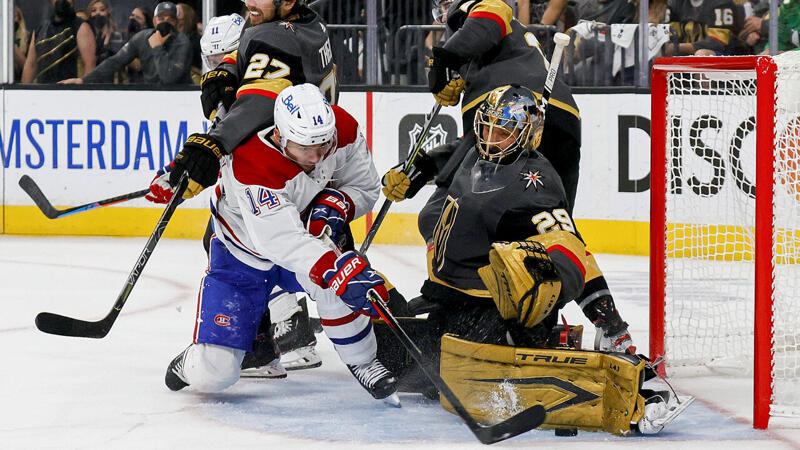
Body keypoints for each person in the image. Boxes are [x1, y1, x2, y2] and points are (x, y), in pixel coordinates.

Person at [379, 85, 690, 435]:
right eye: (486, 127)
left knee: (454, 374)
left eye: (503, 130)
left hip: (492, 311)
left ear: (527, 134)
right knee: (389, 358)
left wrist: (610, 323)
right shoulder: (477, 155)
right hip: (448, 300)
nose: (491, 137)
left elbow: (572, 253)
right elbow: (455, 151)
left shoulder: (535, 184)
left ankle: (618, 377)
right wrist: (419, 170)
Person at [388, 0, 635, 354]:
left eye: (445, 6)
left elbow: (492, 15)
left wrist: (444, 59)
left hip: (529, 115)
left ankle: (463, 304)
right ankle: (610, 327)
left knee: (442, 214)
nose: (443, 13)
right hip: (554, 123)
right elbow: (480, 146)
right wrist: (425, 165)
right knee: (549, 227)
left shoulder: (480, 16)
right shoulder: (486, 58)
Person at [164, 84, 399, 403]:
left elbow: (366, 186)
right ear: (280, 136)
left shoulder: (342, 130)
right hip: (241, 259)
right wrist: (337, 271)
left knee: (338, 286)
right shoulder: (253, 163)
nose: (317, 157)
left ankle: (364, 360)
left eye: (322, 144)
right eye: (305, 148)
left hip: (305, 244)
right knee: (215, 373)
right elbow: (282, 241)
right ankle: (192, 362)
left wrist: (339, 202)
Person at [151, 0, 342, 376]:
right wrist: (229, 68)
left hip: (277, 173)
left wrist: (215, 142)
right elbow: (264, 70)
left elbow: (261, 98)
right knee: (330, 259)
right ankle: (384, 339)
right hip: (313, 166)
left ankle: (277, 340)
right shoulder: (311, 25)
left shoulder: (274, 36)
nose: (249, 2)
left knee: (247, 249)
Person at [59, 2, 192, 85]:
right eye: (161, 18)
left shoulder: (183, 42)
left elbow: (169, 78)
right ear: (154, 21)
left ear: (176, 23)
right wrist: (84, 80)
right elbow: (115, 61)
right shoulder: (142, 38)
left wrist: (157, 47)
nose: (165, 22)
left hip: (179, 99)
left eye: (170, 19)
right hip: (151, 98)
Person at [21, 0, 96, 83]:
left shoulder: (81, 27)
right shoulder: (39, 29)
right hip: (43, 91)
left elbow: (90, 64)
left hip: (70, 91)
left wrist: (84, 92)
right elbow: (30, 65)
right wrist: (22, 93)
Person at [663, 0, 742, 56]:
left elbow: (717, 43)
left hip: (723, 56)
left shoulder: (721, 3)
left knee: (702, 55)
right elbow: (671, 36)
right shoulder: (675, 3)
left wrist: (677, 47)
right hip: (685, 55)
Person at [86, 0, 125, 80]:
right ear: (90, 15)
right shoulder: (86, 40)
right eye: (94, 10)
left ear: (108, 13)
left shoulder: (118, 37)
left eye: (102, 10)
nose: (98, 13)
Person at [13, 7, 30, 82]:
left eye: (14, 16)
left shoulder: (27, 38)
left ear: (19, 19)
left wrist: (11, 43)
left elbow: (28, 67)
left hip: (20, 85)